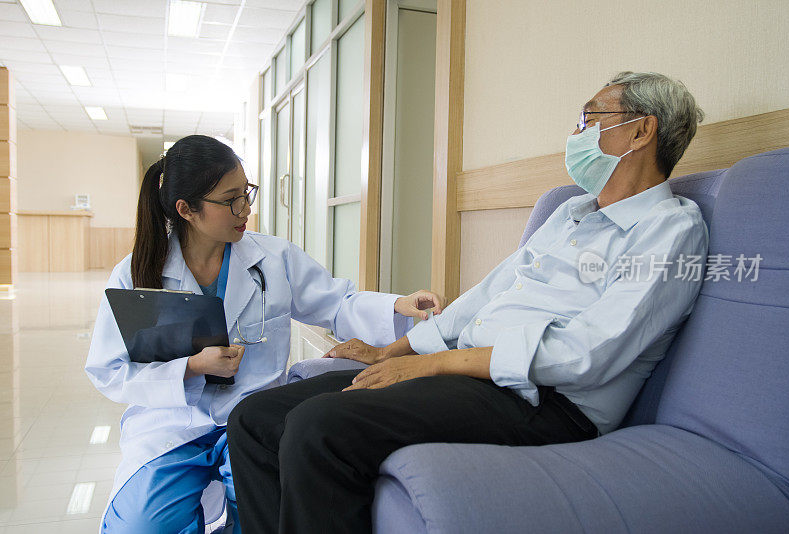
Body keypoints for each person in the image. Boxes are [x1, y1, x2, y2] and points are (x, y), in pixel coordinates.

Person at [225, 71, 710, 534]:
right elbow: (488, 293)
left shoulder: (672, 229)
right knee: (253, 418)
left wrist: (435, 366)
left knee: (318, 426)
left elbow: (584, 356)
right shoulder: (572, 211)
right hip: (474, 377)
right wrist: (395, 353)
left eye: (590, 118)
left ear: (641, 131)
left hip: (546, 401)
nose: (576, 133)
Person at [84, 135, 444, 533]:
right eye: (231, 199)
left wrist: (397, 305)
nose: (246, 210)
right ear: (187, 210)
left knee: (265, 518)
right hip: (173, 424)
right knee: (142, 526)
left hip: (253, 415)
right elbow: (109, 370)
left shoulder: (273, 258)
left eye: (247, 193)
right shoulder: (136, 274)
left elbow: (337, 303)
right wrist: (189, 367)